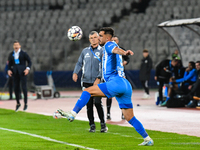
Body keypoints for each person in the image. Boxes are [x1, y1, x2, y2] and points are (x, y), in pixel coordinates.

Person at [57, 27, 154, 146]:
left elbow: (116, 49)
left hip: (116, 82)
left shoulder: (109, 44)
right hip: (125, 84)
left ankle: (73, 113)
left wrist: (124, 52)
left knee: (87, 91)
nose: (98, 38)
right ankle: (147, 139)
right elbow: (115, 51)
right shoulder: (106, 47)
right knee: (130, 117)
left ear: (107, 37)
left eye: (100, 36)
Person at [72, 31, 107, 133]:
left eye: (95, 37)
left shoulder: (102, 51)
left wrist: (99, 78)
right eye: (91, 37)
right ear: (89, 39)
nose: (93, 39)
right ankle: (92, 125)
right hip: (86, 81)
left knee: (97, 102)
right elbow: (79, 63)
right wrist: (75, 73)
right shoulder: (85, 51)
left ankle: (103, 124)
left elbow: (104, 66)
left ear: (98, 39)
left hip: (97, 82)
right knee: (89, 104)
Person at [106, 35, 130, 120]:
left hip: (120, 74)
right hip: (111, 76)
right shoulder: (109, 49)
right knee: (109, 95)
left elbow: (127, 58)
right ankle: (108, 112)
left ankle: (123, 113)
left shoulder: (120, 49)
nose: (114, 42)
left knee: (121, 94)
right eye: (113, 40)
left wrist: (125, 62)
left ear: (118, 41)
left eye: (115, 40)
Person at [8, 40, 32, 112]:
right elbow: (9, 64)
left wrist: (27, 69)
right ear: (13, 46)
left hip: (23, 73)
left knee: (24, 88)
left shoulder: (23, 53)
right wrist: (9, 70)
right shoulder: (11, 54)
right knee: (16, 88)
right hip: (15, 73)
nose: (16, 46)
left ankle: (25, 103)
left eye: (17, 45)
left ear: (19, 46)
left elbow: (29, 61)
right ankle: (18, 103)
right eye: (15, 45)